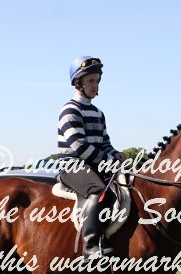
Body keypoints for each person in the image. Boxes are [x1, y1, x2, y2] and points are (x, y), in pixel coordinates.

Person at [57, 56, 125, 260]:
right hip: (73, 166)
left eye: (97, 80)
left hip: (95, 166)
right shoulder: (70, 110)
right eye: (90, 81)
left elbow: (105, 143)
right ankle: (91, 247)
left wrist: (115, 153)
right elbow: (80, 147)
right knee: (99, 191)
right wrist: (108, 160)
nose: (95, 85)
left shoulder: (98, 113)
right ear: (78, 83)